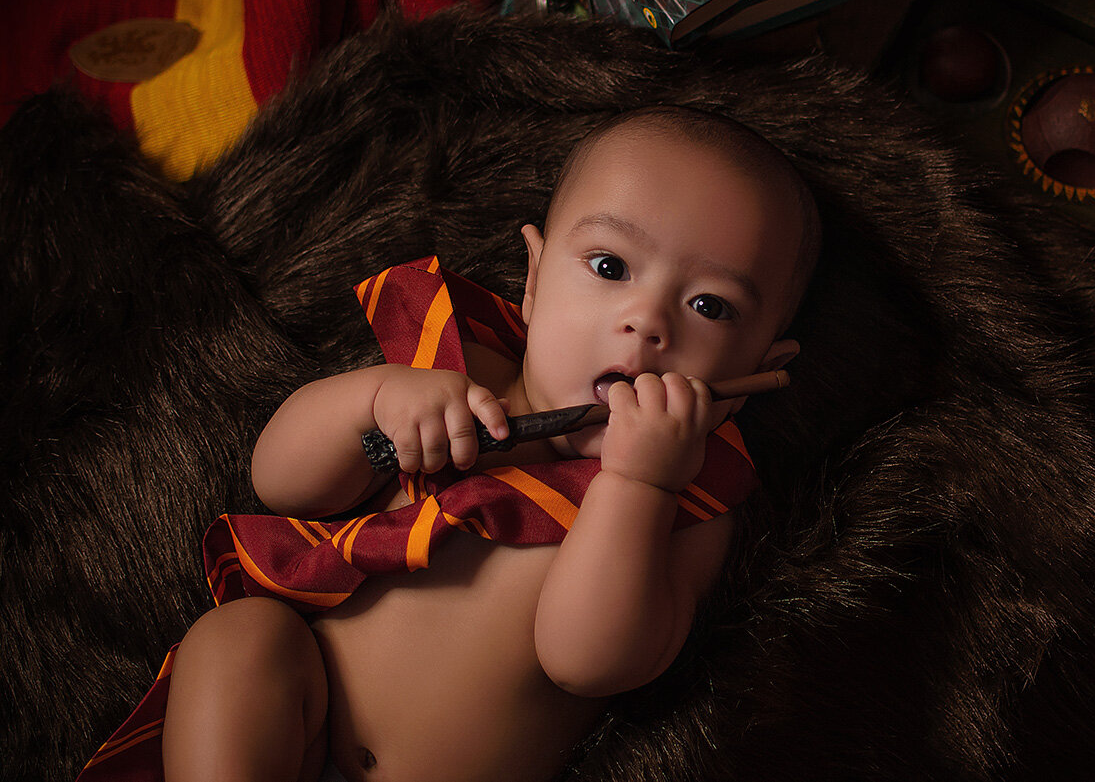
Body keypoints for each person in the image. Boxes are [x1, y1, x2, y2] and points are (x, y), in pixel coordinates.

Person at [153, 105, 821, 782]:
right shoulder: (454, 370)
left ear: (756, 368)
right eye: (609, 265)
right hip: (300, 721)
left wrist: (639, 485)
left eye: (709, 306)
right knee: (238, 635)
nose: (646, 321)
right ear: (534, 279)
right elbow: (281, 486)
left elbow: (588, 661)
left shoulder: (691, 503)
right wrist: (375, 400)